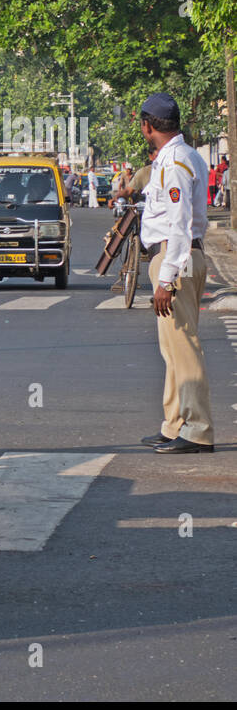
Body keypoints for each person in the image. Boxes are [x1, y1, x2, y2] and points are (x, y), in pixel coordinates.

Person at [136, 92, 213, 454]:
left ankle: (197, 428)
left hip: (175, 258)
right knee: (172, 349)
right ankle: (175, 423)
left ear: (147, 125)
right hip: (176, 256)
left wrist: (166, 279)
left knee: (184, 348)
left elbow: (179, 226)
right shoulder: (185, 155)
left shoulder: (174, 163)